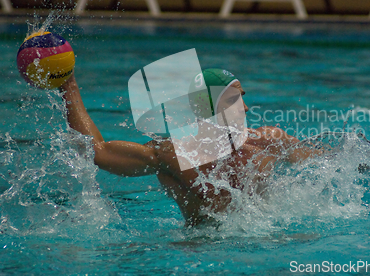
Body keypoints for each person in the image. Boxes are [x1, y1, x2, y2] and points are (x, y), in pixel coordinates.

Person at [59, 68, 323, 226]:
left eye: (242, 98)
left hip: (268, 240)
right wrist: (68, 85)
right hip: (203, 250)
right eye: (232, 99)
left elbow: (326, 162)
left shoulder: (269, 141)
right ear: (207, 107)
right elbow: (98, 152)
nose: (245, 107)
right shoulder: (173, 153)